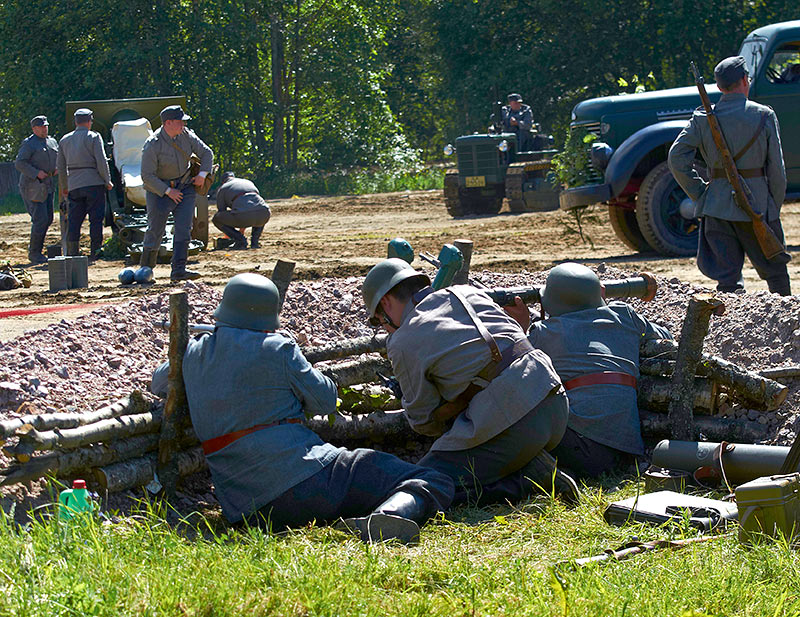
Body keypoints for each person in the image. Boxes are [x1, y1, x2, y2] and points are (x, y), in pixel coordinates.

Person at [150, 273, 453, 544]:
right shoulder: (278, 348)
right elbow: (325, 400)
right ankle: (390, 516)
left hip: (245, 508)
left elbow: (160, 383)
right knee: (431, 479)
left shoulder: (192, 353)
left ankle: (379, 515)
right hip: (305, 478)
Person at [361, 259, 579, 507]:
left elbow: (423, 421)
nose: (385, 329)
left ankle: (528, 480)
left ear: (386, 303)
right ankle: (529, 463)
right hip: (554, 401)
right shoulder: (465, 292)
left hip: (515, 420)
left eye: (379, 321)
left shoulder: (402, 340)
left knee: (426, 480)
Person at [504, 263, 673, 479]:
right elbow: (666, 336)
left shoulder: (542, 333)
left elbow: (511, 368)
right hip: (625, 449)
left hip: (580, 446)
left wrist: (518, 327)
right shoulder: (625, 316)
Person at [668, 55, 791, 296]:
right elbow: (778, 172)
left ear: (720, 87)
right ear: (745, 80)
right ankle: (790, 329)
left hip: (716, 208)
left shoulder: (702, 118)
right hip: (757, 207)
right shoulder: (764, 115)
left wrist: (701, 194)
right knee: (776, 276)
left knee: (727, 282)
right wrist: (770, 209)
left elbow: (676, 158)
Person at [139, 105, 214, 282]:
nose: (183, 124)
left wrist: (203, 175)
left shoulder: (187, 135)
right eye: (180, 121)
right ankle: (146, 270)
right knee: (155, 229)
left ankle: (179, 270)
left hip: (185, 186)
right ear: (168, 123)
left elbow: (207, 153)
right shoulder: (153, 144)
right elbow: (146, 176)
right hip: (159, 190)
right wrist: (167, 191)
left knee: (184, 227)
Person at [56, 108, 113, 260]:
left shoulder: (64, 140)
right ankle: (95, 252)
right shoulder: (94, 137)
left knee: (74, 220)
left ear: (75, 122)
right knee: (95, 219)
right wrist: (107, 181)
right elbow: (101, 161)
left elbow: (60, 167)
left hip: (74, 184)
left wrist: (64, 187)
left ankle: (73, 252)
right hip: (93, 183)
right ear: (89, 122)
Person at [15, 115, 58, 264]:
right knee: (40, 219)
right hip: (32, 187)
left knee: (49, 219)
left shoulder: (52, 141)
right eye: (41, 126)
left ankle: (37, 250)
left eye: (46, 126)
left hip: (48, 185)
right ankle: (34, 253)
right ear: (34, 129)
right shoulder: (29, 144)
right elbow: (20, 163)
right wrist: (36, 173)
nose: (44, 128)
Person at [212, 171, 271, 249]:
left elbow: (221, 211)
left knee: (217, 219)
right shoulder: (247, 182)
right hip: (265, 214)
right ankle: (254, 242)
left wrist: (231, 233)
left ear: (223, 182)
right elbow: (252, 205)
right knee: (258, 210)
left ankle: (240, 240)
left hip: (244, 215)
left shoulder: (223, 188)